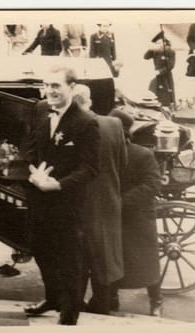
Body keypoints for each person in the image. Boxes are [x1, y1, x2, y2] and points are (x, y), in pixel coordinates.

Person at [23, 66, 100, 325]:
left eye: (56, 85)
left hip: (68, 204)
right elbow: (32, 147)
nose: (50, 91)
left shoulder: (87, 122)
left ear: (72, 87)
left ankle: (69, 314)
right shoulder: (41, 110)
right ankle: (52, 298)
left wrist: (57, 185)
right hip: (39, 199)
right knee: (41, 250)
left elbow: (90, 169)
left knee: (69, 258)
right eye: (47, 85)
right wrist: (33, 171)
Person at [73, 85, 127, 315]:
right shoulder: (114, 124)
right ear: (90, 101)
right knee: (104, 254)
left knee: (79, 256)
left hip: (80, 201)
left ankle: (75, 302)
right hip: (108, 199)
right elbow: (122, 162)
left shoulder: (72, 127)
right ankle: (103, 303)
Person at [108, 109, 163, 317]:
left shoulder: (142, 154)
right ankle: (112, 297)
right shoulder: (106, 154)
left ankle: (156, 300)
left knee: (147, 261)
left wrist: (121, 201)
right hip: (115, 216)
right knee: (113, 258)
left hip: (138, 216)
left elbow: (152, 185)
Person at [144, 34, 176, 108]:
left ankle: (167, 108)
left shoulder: (169, 51)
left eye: (159, 43)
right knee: (153, 92)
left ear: (164, 43)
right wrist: (151, 49)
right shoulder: (156, 51)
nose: (158, 45)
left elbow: (170, 66)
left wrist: (160, 71)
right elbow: (145, 57)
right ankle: (154, 107)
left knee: (166, 96)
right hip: (156, 76)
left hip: (166, 76)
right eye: (157, 43)